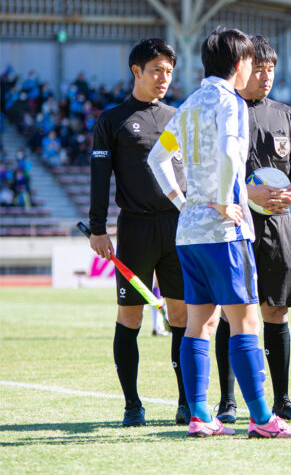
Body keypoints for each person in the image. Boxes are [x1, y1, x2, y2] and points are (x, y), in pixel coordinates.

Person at [147, 28, 291, 439]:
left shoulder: (187, 105)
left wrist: (181, 202)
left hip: (189, 232)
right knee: (246, 320)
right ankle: (262, 419)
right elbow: (228, 152)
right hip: (225, 232)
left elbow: (157, 157)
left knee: (199, 324)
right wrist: (223, 201)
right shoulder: (231, 103)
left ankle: (202, 416)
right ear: (239, 65)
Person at [212, 35, 291, 424]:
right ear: (241, 67)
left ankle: (282, 399)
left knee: (277, 311)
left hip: (277, 224)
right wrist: (244, 190)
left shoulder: (286, 115)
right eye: (258, 67)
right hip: (234, 223)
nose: (265, 75)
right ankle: (227, 401)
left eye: (271, 68)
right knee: (231, 311)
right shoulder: (225, 111)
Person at [88, 38, 189, 427]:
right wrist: (98, 228)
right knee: (130, 317)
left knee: (181, 315)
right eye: (156, 70)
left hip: (179, 229)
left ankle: (187, 403)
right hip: (134, 230)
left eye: (169, 71)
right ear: (137, 71)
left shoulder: (177, 117)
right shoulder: (112, 121)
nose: (164, 78)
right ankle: (133, 405)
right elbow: (99, 178)